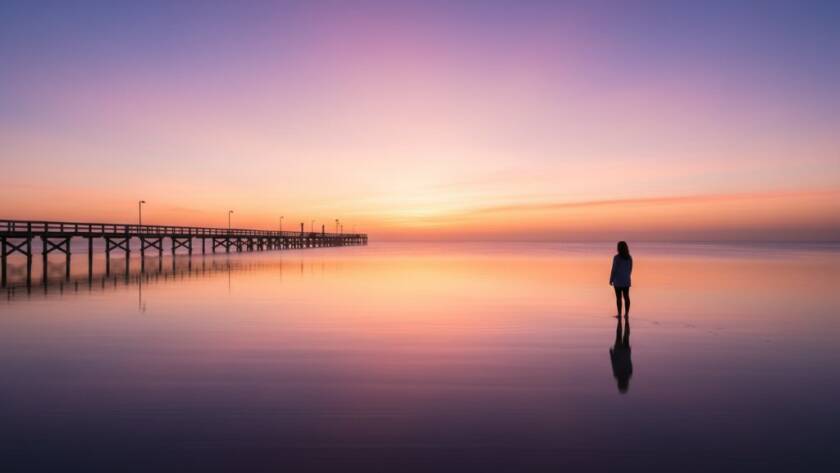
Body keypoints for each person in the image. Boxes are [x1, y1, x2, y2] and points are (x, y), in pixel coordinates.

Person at [609, 316, 632, 393]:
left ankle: (623, 323)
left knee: (624, 336)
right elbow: (614, 363)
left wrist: (629, 352)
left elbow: (629, 363)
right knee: (620, 336)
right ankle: (624, 323)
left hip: (623, 351)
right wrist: (611, 353)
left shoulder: (627, 374)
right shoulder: (619, 374)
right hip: (622, 351)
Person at [609, 241, 632, 317]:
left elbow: (614, 269)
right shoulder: (629, 257)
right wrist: (627, 276)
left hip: (618, 281)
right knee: (626, 297)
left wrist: (611, 279)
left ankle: (619, 314)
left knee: (618, 298)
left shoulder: (617, 258)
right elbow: (630, 269)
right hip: (626, 280)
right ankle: (626, 314)